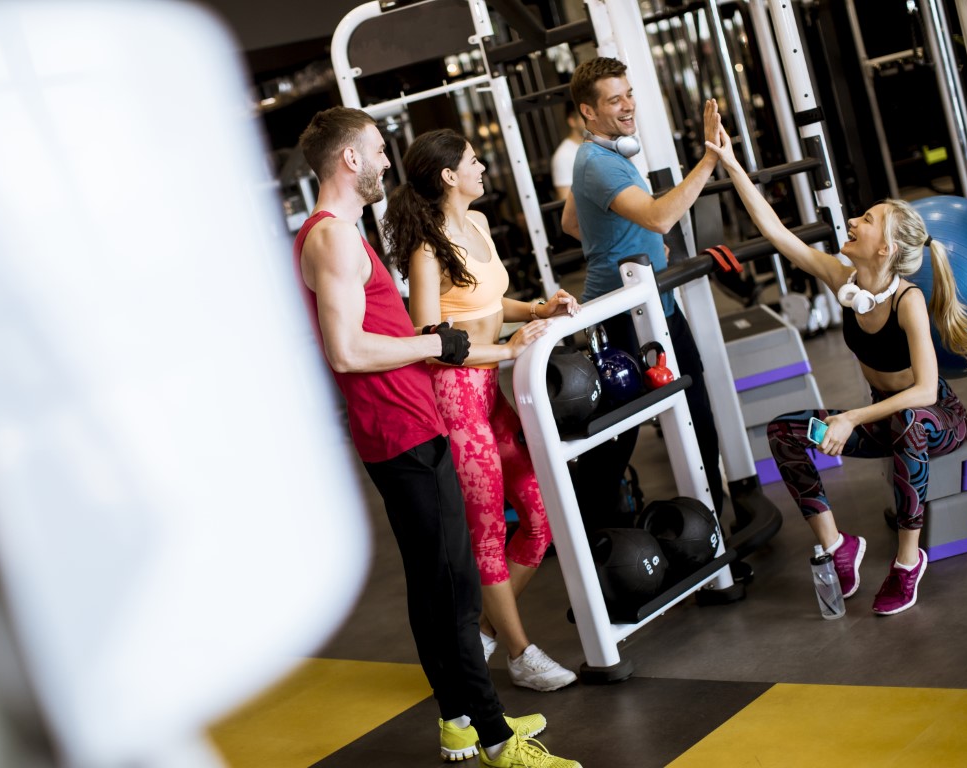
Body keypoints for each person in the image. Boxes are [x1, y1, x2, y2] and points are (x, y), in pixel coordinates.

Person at [295, 107, 581, 768]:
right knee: (452, 588)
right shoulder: (333, 237)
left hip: (407, 423)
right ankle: (497, 739)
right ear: (349, 161)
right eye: (376, 151)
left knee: (436, 586)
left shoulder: (341, 233)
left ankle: (460, 721)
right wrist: (437, 343)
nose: (387, 164)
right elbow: (344, 351)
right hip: (400, 430)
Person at [704, 123, 967, 615]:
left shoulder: (908, 301)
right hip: (881, 422)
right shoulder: (842, 279)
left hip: (936, 419)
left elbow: (923, 390)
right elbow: (775, 232)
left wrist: (852, 416)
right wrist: (730, 165)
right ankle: (838, 547)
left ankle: (906, 561)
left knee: (908, 420)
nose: (853, 221)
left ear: (886, 249)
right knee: (787, 432)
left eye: (868, 220)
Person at [382, 128, 580, 693]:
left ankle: (478, 634)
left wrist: (538, 306)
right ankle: (519, 652)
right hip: (453, 402)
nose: (483, 166)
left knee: (539, 515)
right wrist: (508, 348)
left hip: (489, 392)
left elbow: (490, 302)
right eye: (473, 160)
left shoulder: (481, 225)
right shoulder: (427, 248)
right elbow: (429, 336)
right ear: (449, 176)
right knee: (488, 530)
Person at [561, 57, 726, 517]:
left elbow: (572, 222)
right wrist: (710, 157)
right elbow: (659, 215)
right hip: (622, 314)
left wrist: (645, 244)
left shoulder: (601, 155)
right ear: (587, 112)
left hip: (655, 305)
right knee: (620, 436)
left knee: (695, 411)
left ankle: (711, 520)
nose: (629, 105)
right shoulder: (598, 162)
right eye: (615, 100)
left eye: (629, 94)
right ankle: (593, 536)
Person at [550, 103, 585, 200]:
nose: (590, 120)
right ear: (572, 121)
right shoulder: (563, 156)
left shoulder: (599, 144)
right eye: (584, 117)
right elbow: (565, 200)